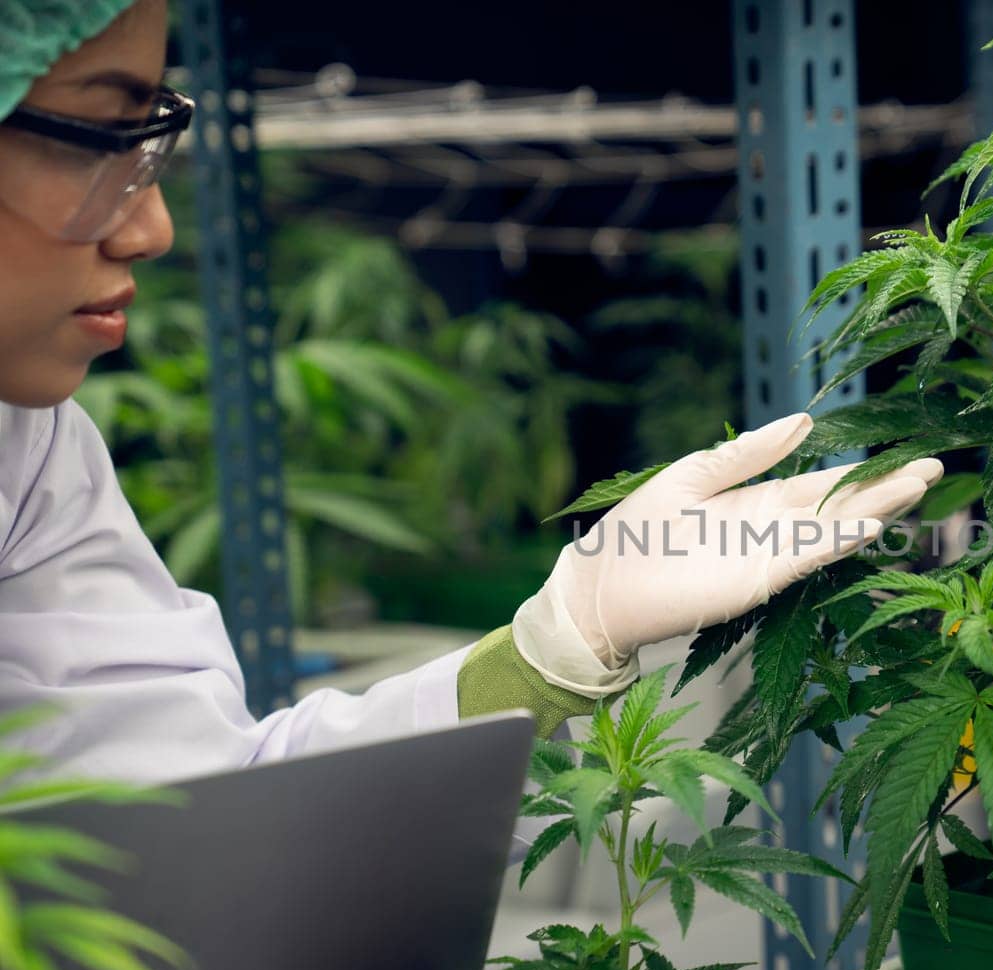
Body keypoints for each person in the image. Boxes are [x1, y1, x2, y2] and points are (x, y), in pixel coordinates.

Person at [0, 0, 941, 784]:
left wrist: (554, 646)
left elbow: (186, 816)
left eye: (152, 139)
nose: (152, 227)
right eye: (98, 139)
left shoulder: (32, 448)